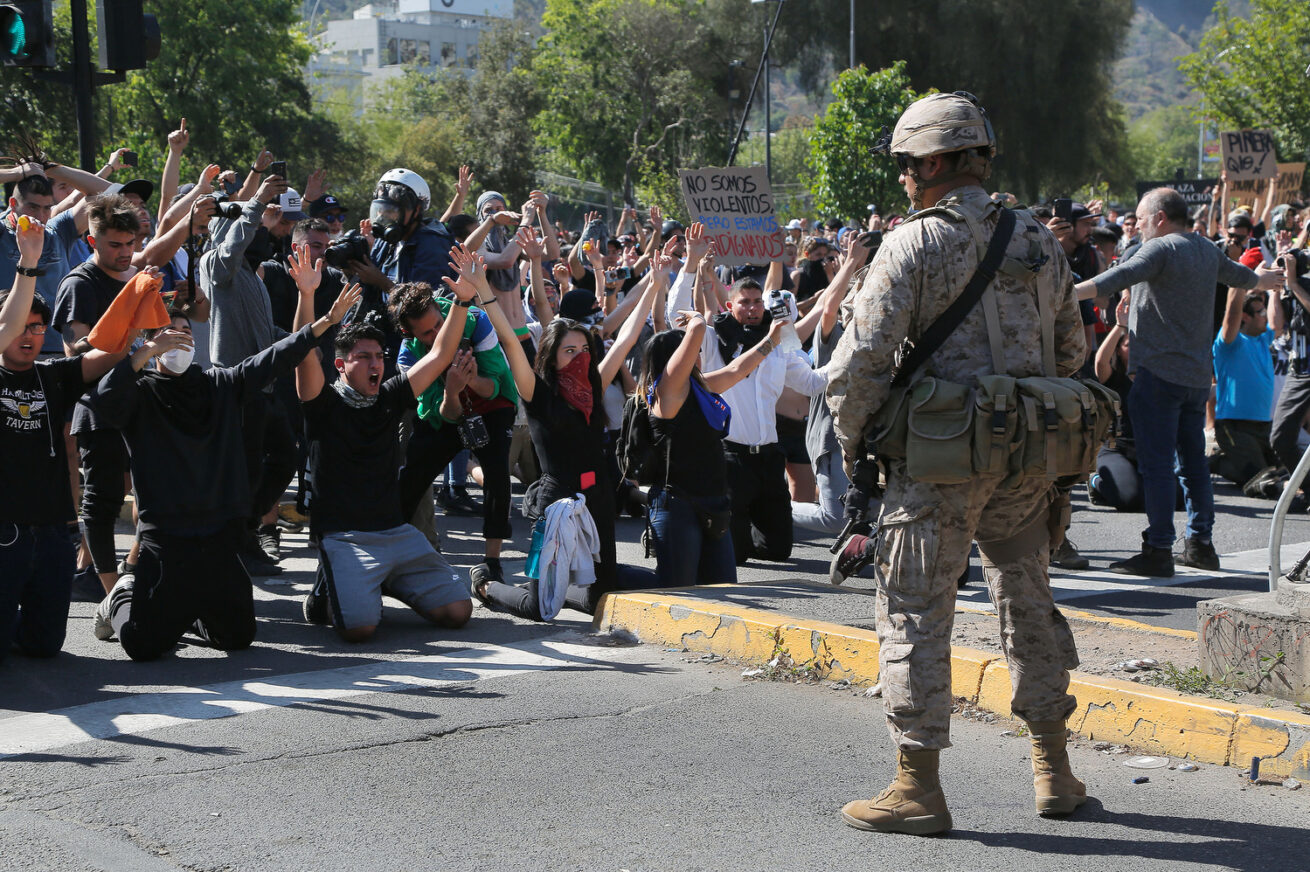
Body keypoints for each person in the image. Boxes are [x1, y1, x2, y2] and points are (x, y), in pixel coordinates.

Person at [826, 92, 1089, 835]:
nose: (904, 180)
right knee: (1028, 603)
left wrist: (853, 445)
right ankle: (1054, 769)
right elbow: (1072, 353)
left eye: (909, 166)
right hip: (1029, 460)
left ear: (937, 162)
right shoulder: (1038, 240)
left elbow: (860, 367)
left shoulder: (914, 244)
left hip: (940, 465)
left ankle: (917, 787)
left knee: (913, 610)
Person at [89, 283, 363, 661]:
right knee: (144, 645)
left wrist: (326, 323)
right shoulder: (139, 393)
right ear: (148, 345)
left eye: (185, 332)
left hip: (219, 533)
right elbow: (101, 400)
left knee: (236, 637)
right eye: (167, 333)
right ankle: (121, 597)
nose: (178, 339)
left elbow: (273, 358)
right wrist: (147, 351)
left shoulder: (218, 384)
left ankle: (186, 615)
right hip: (166, 537)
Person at [1075, 187, 1283, 576]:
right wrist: (1266, 280)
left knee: (1156, 466)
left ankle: (1158, 549)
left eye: (1140, 218)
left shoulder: (1161, 248)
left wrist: (1064, 293)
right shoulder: (1206, 249)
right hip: (1194, 379)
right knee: (1192, 465)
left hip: (1158, 377)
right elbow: (1243, 277)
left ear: (1160, 218)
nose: (1135, 226)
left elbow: (1113, 278)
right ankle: (1201, 545)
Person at [454, 246, 659, 619]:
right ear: (552, 357)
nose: (579, 356)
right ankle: (485, 584)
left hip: (596, 494)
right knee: (537, 607)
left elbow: (627, 337)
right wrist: (484, 289)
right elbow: (510, 341)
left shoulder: (595, 383)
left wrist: (655, 284)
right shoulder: (537, 391)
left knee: (604, 596)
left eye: (583, 349)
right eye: (569, 351)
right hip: (555, 501)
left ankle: (563, 590)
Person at [289, 249, 472, 641]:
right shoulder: (323, 404)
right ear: (341, 365)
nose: (376, 365)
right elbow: (303, 355)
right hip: (344, 536)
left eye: (380, 356)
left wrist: (463, 300)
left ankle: (381, 581)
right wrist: (307, 297)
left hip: (394, 533)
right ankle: (328, 590)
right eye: (363, 358)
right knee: (360, 629)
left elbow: (440, 356)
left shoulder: (390, 396)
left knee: (458, 611)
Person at [665, 223, 828, 566]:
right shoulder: (710, 340)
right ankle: (718, 529)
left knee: (778, 550)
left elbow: (813, 383)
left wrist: (855, 358)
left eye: (757, 302)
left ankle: (738, 528)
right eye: (745, 303)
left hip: (769, 458)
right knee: (734, 556)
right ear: (729, 304)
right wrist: (691, 264)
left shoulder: (779, 345)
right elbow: (674, 315)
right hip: (729, 458)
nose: (753, 308)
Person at [0, 216, 123, 662]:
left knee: (44, 646)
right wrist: (28, 263)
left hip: (51, 534)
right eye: (22, 327)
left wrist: (141, 302)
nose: (30, 336)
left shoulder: (53, 376)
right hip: (5, 534)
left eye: (39, 328)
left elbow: (108, 354)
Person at [640, 308, 784, 586]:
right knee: (678, 589)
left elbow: (737, 369)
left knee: (721, 588)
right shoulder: (665, 393)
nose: (700, 353)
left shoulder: (700, 387)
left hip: (714, 502)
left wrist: (771, 340)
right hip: (678, 505)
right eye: (691, 351)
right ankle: (604, 586)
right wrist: (696, 318)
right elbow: (696, 333)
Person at [390, 280, 518, 586]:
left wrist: (470, 382)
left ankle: (493, 560)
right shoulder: (408, 356)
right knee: (411, 475)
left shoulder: (475, 322)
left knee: (498, 476)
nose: (437, 336)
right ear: (410, 334)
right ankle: (389, 549)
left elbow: (494, 386)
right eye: (427, 334)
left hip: (491, 403)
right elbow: (443, 414)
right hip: (444, 408)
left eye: (439, 325)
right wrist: (451, 390)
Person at [51, 194, 142, 596]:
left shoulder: (137, 277)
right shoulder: (79, 283)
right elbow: (77, 352)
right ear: (93, 241)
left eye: (130, 243)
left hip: (141, 404)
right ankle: (109, 592)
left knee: (145, 491)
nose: (125, 253)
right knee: (102, 501)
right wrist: (133, 340)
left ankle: (113, 569)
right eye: (114, 245)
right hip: (99, 408)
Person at [1210, 289, 1280, 490]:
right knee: (1264, 483)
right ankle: (1217, 463)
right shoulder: (1229, 344)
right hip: (1234, 427)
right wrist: (1241, 284)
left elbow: (1277, 324)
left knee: (1284, 472)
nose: (1265, 316)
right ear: (1245, 317)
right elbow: (1231, 318)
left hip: (1264, 427)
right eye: (1261, 313)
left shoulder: (1262, 339)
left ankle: (1232, 459)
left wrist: (1276, 290)